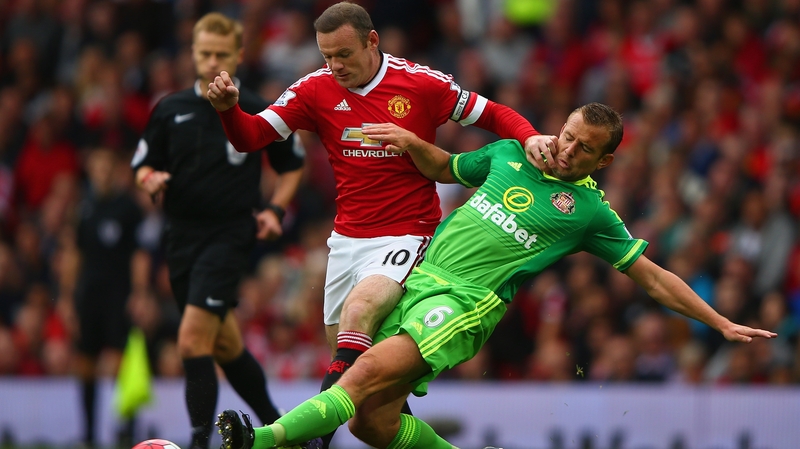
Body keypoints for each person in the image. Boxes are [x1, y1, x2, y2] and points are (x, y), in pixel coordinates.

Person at [214, 102, 777, 449]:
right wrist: (413, 142)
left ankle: (263, 440)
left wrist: (720, 322)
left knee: (358, 378)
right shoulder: (509, 153)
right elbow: (447, 168)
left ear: (603, 163)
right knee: (369, 422)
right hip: (419, 279)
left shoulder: (589, 212)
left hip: (465, 304)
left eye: (585, 150)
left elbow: (651, 278)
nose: (568, 149)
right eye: (568, 135)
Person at [206, 4, 555, 445]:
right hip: (347, 240)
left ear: (373, 42)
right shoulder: (315, 88)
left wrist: (530, 136)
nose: (335, 66)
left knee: (360, 315)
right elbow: (250, 136)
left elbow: (493, 114)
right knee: (368, 400)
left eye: (344, 54)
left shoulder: (421, 83)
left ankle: (300, 440)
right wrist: (227, 111)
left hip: (410, 233)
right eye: (327, 56)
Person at [130, 12, 305, 449]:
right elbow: (143, 164)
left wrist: (275, 211)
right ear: (191, 53)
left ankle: (198, 443)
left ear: (240, 55)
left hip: (229, 236)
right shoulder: (170, 109)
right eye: (204, 53)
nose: (212, 61)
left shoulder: (260, 107)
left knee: (191, 340)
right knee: (225, 345)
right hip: (181, 239)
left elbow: (292, 166)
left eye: (221, 54)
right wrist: (148, 178)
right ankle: (284, 433)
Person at [71, 148, 146, 448]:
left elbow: (138, 254)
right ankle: (88, 435)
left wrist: (139, 293)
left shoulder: (128, 208)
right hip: (89, 294)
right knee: (86, 362)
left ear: (114, 171)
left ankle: (127, 430)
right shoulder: (84, 208)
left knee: (119, 364)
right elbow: (75, 253)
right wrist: (67, 295)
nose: (100, 173)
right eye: (96, 168)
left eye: (106, 167)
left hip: (118, 294)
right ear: (90, 171)